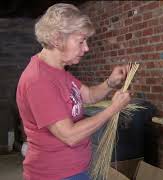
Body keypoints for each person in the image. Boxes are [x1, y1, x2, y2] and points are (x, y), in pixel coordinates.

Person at [16, 3, 131, 180]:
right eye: (81, 41)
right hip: (56, 174)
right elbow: (69, 135)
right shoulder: (38, 80)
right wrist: (113, 109)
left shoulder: (60, 71)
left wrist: (110, 82)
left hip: (76, 169)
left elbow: (89, 95)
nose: (86, 48)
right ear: (57, 39)